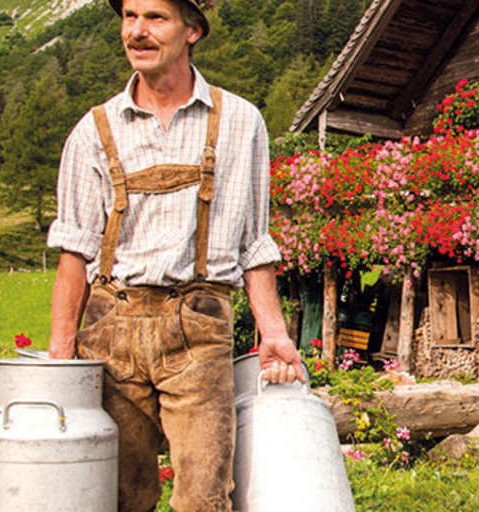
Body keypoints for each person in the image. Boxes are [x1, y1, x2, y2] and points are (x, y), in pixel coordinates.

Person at [45, 0, 304, 509]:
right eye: (129, 17)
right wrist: (60, 355)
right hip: (110, 330)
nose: (137, 32)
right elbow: (74, 255)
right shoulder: (93, 131)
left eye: (155, 18)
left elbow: (254, 244)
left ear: (193, 30)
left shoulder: (239, 122)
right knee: (120, 495)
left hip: (198, 328)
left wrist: (273, 334)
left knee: (204, 496)